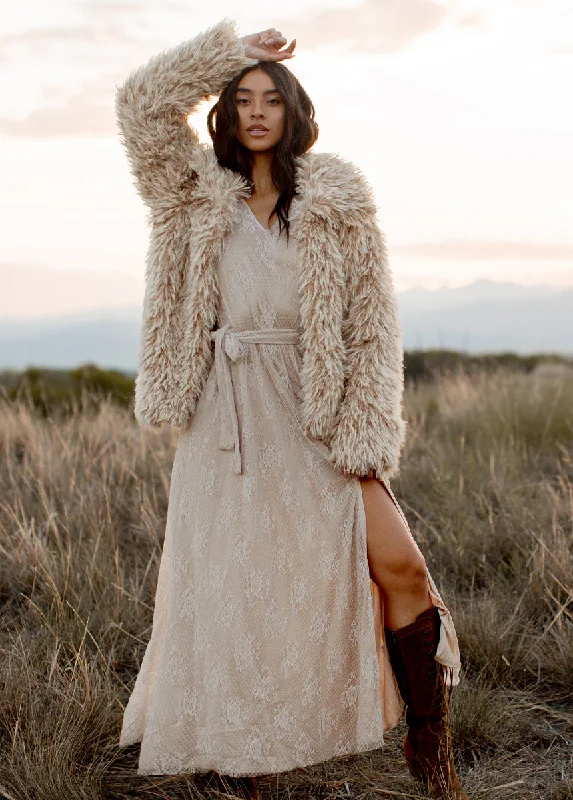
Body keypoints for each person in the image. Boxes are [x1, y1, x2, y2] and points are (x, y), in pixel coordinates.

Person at [114, 17, 467, 800]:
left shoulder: (336, 200)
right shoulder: (188, 192)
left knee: (401, 567)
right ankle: (249, 769)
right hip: (225, 420)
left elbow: (371, 328)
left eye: (271, 97)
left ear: (294, 110)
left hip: (314, 414)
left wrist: (364, 431)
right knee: (240, 598)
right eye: (242, 98)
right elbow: (141, 104)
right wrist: (233, 52)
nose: (256, 110)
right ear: (226, 110)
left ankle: (427, 747)